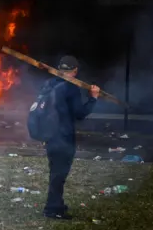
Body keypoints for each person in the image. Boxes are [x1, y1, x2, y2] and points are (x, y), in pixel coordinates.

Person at [41, 55, 100, 220]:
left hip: (50, 135)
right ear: (75, 71)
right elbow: (80, 113)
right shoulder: (71, 88)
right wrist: (93, 98)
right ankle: (52, 209)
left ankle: (56, 204)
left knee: (56, 172)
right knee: (59, 174)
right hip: (63, 137)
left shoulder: (49, 83)